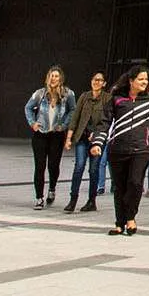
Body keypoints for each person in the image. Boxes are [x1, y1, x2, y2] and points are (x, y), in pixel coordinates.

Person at [90, 66, 149, 236]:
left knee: (135, 183)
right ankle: (119, 222)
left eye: (146, 79)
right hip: (117, 149)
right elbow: (104, 123)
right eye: (141, 79)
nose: (145, 82)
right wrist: (97, 143)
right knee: (119, 186)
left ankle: (131, 217)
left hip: (141, 149)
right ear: (131, 81)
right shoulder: (117, 99)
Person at [24, 66, 74, 210]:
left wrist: (64, 125)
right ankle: (39, 198)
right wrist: (32, 123)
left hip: (57, 135)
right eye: (51, 76)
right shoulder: (40, 94)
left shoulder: (68, 94)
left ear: (61, 78)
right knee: (39, 166)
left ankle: (52, 188)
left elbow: (73, 109)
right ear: (48, 78)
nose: (53, 79)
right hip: (40, 134)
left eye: (56, 76)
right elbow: (28, 107)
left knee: (53, 165)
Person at [62, 71, 110, 213]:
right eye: (94, 79)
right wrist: (69, 138)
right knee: (79, 167)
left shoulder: (107, 98)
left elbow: (108, 120)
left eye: (100, 80)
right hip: (82, 137)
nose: (96, 82)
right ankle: (73, 199)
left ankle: (91, 201)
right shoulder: (84, 96)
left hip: (97, 140)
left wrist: (97, 135)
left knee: (94, 169)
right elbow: (75, 117)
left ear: (104, 83)